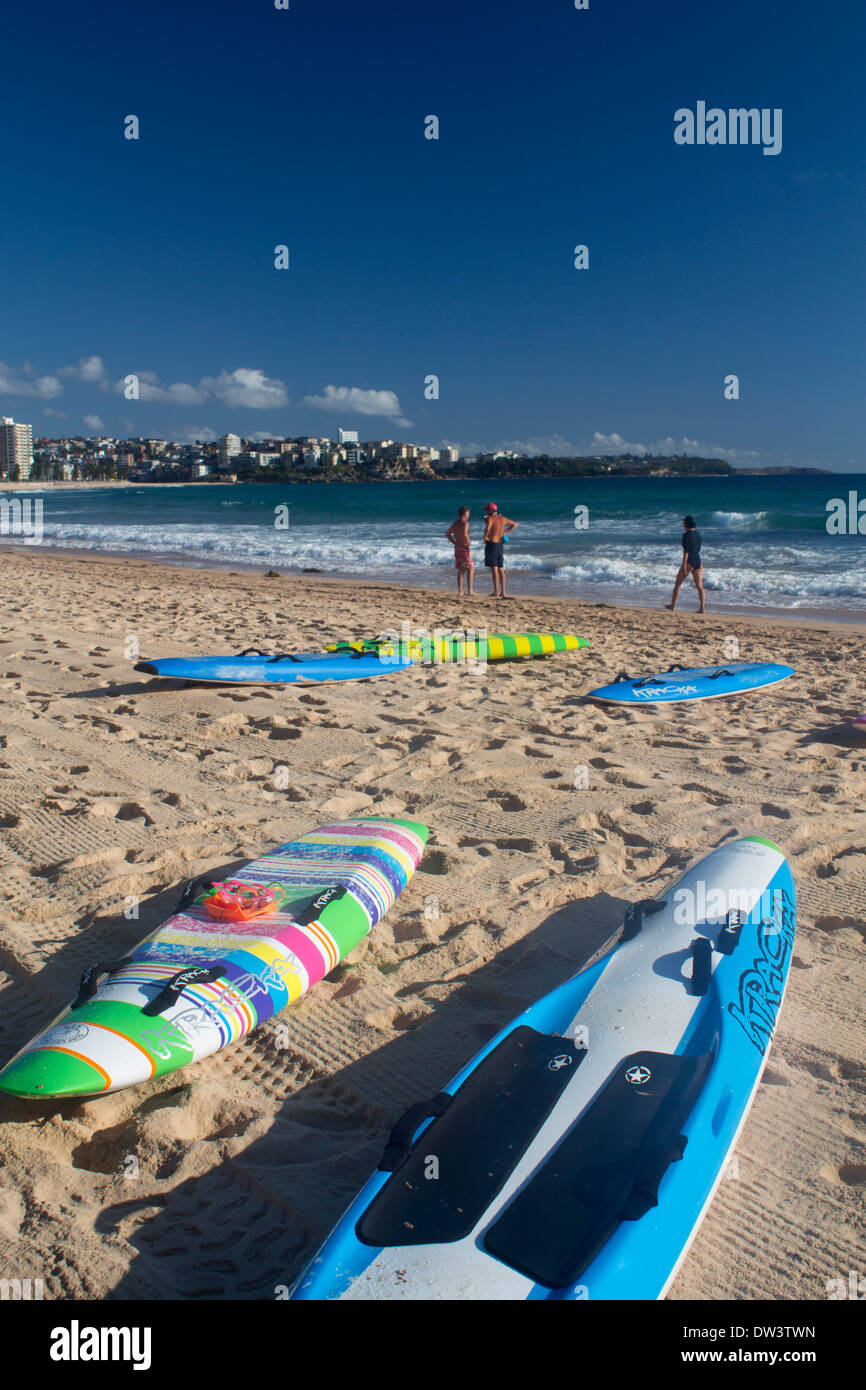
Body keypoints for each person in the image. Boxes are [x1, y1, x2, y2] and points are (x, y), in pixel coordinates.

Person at [666, 515, 706, 613]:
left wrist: (684, 564)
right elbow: (697, 549)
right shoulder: (698, 534)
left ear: (686, 524)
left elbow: (686, 551)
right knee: (699, 586)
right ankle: (702, 608)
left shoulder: (686, 535)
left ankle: (672, 605)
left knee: (677, 584)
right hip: (697, 561)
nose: (683, 524)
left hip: (689, 562)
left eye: (683, 522)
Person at [483, 502, 517, 598]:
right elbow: (514, 525)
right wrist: (504, 532)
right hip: (500, 545)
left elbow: (488, 528)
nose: (485, 511)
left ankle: (496, 591)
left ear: (491, 510)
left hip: (492, 543)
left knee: (494, 568)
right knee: (501, 568)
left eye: (487, 509)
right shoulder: (503, 518)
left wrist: (485, 537)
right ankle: (503, 592)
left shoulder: (490, 518)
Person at [445, 505, 474, 595]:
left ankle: (460, 590)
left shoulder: (455, 523)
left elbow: (447, 534)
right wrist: (468, 544)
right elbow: (465, 534)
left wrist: (454, 542)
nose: (469, 515)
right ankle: (470, 590)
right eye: (468, 513)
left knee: (461, 569)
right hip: (464, 548)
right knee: (470, 569)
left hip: (457, 548)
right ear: (465, 514)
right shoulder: (465, 523)